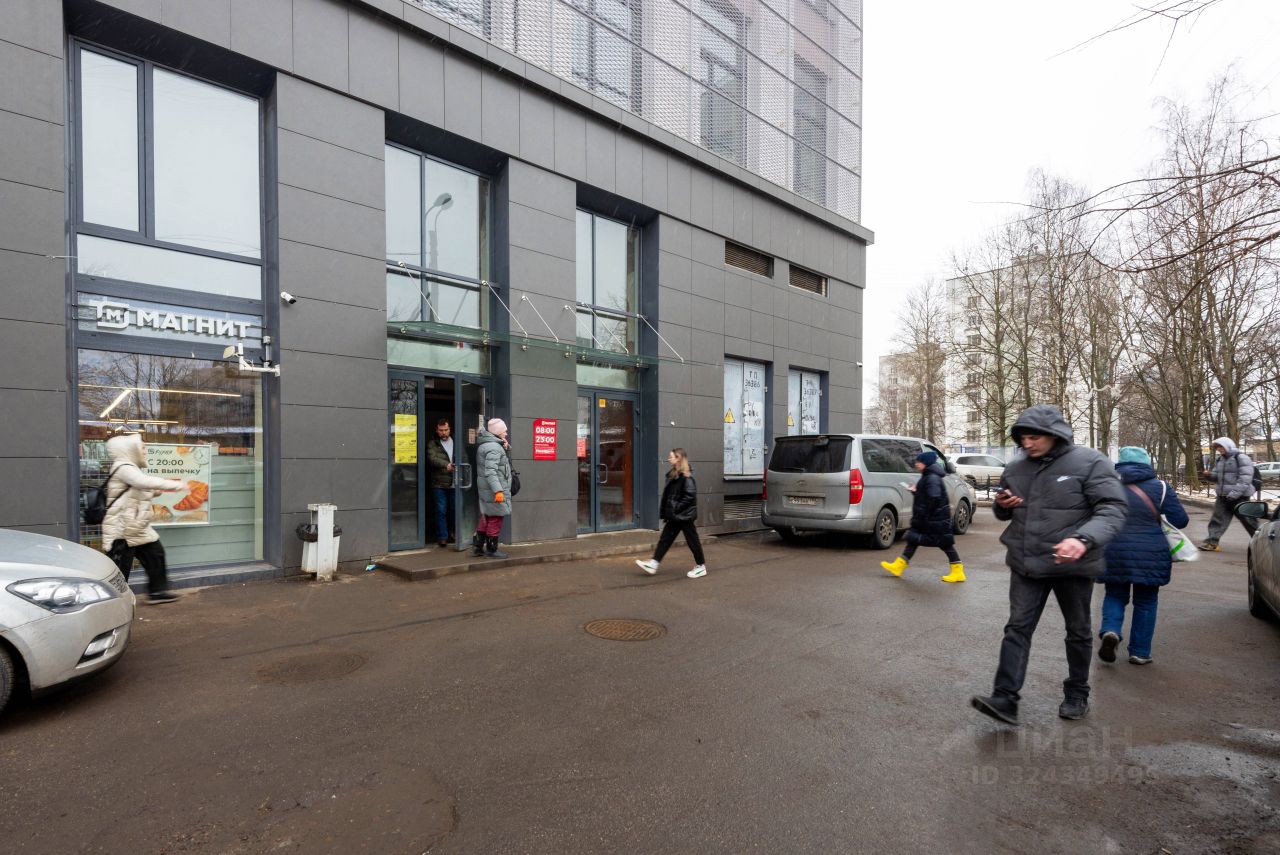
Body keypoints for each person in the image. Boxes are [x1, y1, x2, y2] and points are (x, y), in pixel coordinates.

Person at [970, 404, 1127, 725]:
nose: (1027, 444)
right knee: (1017, 628)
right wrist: (1002, 505)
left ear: (1054, 434)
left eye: (1034, 437)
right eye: (1023, 438)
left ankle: (1077, 692)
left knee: (1077, 631)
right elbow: (1004, 511)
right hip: (1026, 563)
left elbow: (1113, 508)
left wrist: (1082, 540)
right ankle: (1005, 698)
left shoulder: (1090, 461)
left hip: (1072, 564)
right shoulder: (1016, 468)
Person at [1097, 447, 1189, 666]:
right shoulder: (1161, 487)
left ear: (1119, 463)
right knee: (1146, 601)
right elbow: (1180, 520)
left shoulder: (1107, 485)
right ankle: (1140, 652)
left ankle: (1111, 630)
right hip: (1152, 553)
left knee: (1114, 594)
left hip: (1114, 550)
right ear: (1147, 464)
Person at [100, 432, 187, 604]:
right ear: (130, 449)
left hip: (138, 528)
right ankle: (112, 602)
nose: (145, 451)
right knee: (119, 571)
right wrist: (176, 485)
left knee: (156, 556)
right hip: (122, 529)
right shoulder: (123, 467)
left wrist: (158, 489)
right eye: (143, 447)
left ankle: (157, 592)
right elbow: (142, 482)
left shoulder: (132, 469)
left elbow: (141, 489)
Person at [879, 450, 966, 583]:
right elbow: (928, 496)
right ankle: (899, 566)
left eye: (919, 462)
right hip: (930, 518)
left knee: (945, 544)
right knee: (913, 539)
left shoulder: (932, 478)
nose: (916, 464)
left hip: (934, 519)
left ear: (926, 463)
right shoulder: (928, 475)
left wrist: (924, 514)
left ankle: (958, 572)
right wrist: (916, 492)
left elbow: (934, 498)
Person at [636, 448, 707, 579]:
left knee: (692, 541)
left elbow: (690, 496)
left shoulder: (686, 477)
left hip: (684, 516)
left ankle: (701, 566)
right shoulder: (674, 475)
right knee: (665, 539)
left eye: (671, 457)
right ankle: (654, 564)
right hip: (675, 516)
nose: (669, 459)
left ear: (678, 458)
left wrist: (675, 507)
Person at [1198, 437, 1259, 551]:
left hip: (1240, 497)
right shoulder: (1220, 459)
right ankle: (1212, 542)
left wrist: (1235, 493)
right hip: (1223, 496)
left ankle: (1262, 542)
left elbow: (1245, 478)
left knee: (1249, 521)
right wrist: (1209, 475)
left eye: (1221, 446)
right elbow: (1216, 477)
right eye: (1217, 447)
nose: (1219, 449)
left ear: (1228, 445)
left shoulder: (1241, 457)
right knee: (1217, 520)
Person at [472, 418, 512, 559]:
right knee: (495, 518)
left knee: (486, 516)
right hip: (494, 489)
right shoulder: (494, 448)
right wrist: (498, 491)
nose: (506, 433)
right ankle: (492, 549)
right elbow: (491, 472)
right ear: (497, 432)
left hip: (486, 489)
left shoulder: (487, 445)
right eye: (504, 431)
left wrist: (505, 448)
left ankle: (478, 547)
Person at [426, 419, 456, 547]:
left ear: (450, 429)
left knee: (454, 510)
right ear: (437, 430)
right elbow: (432, 458)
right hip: (439, 483)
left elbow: (464, 456)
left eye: (446, 430)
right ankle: (442, 537)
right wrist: (446, 465)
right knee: (441, 510)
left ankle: (453, 533)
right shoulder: (433, 443)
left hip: (455, 482)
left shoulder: (456, 441)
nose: (443, 433)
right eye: (441, 430)